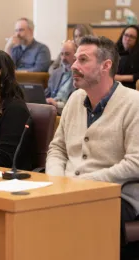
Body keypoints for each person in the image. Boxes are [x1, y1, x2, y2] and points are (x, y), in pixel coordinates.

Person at [46, 36, 139, 260]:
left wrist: (85, 183)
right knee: (28, 211)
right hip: (68, 187)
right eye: (75, 58)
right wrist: (57, 180)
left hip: (117, 193)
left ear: (105, 66)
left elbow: (135, 163)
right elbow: (57, 148)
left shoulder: (134, 104)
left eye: (83, 60)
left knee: (79, 219)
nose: (74, 66)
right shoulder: (75, 99)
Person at [45, 40, 76, 111]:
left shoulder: (79, 75)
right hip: (51, 108)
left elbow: (75, 104)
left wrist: (57, 104)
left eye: (67, 54)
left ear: (75, 55)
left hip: (66, 110)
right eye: (62, 54)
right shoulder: (56, 73)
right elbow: (48, 92)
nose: (64, 58)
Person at [115, 25, 139, 90]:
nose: (128, 39)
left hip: (129, 88)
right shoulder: (114, 50)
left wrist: (120, 78)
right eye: (126, 35)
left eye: (132, 37)